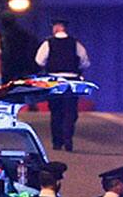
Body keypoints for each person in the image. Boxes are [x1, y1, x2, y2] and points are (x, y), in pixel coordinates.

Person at [34, 18, 90, 151]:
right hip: (72, 80)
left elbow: (39, 60)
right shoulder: (75, 43)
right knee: (70, 111)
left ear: (57, 27)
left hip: (55, 80)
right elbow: (85, 62)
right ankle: (68, 138)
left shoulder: (48, 43)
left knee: (56, 111)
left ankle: (57, 142)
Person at [0, 11, 40, 82]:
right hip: (25, 69)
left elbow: (7, 53)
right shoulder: (26, 34)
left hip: (10, 70)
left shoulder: (5, 36)